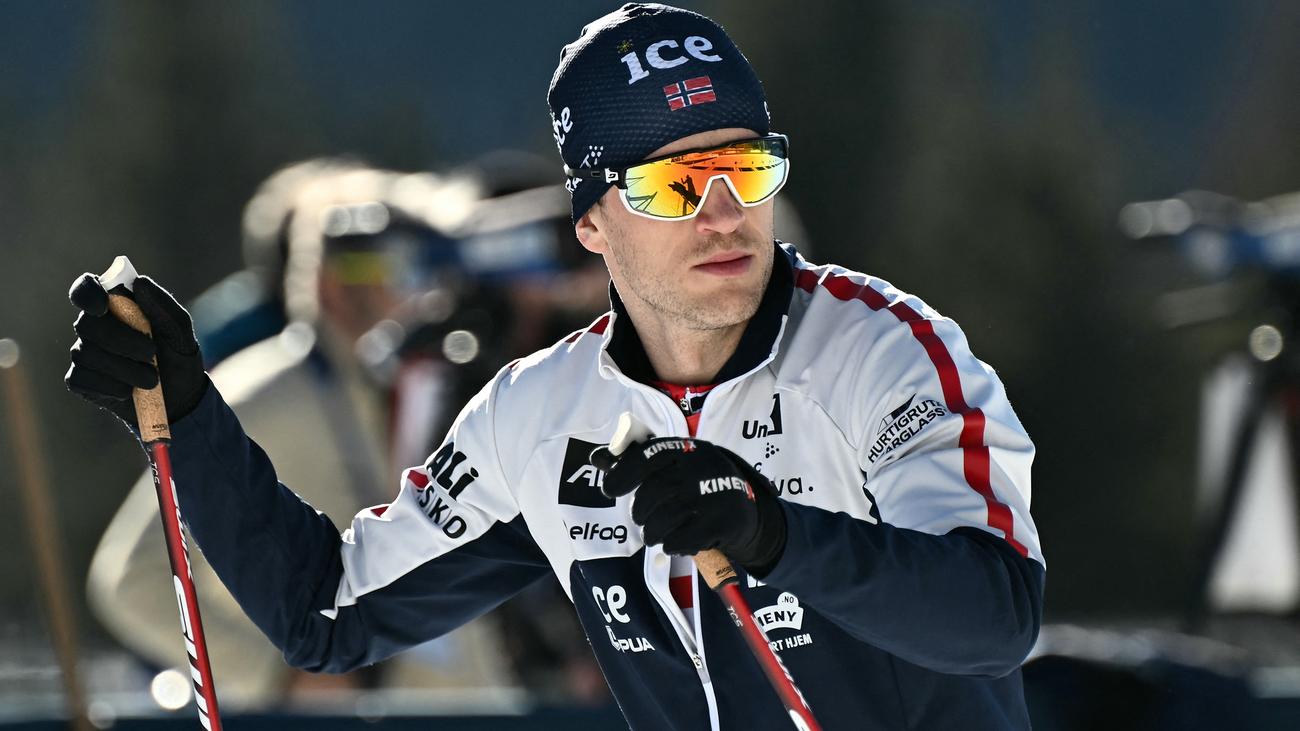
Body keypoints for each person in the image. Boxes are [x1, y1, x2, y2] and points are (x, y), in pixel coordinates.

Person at [65, 4, 1044, 729]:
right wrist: (188, 413)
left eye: (745, 169)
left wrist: (775, 533)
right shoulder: (537, 415)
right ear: (592, 223)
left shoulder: (883, 350)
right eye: (671, 185)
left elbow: (994, 614)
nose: (722, 214)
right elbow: (328, 612)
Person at [84, 163, 516, 707]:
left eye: (431, 264)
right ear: (330, 281)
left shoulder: (427, 389)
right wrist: (278, 679)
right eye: (397, 264)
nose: (427, 290)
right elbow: (132, 578)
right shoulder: (259, 394)